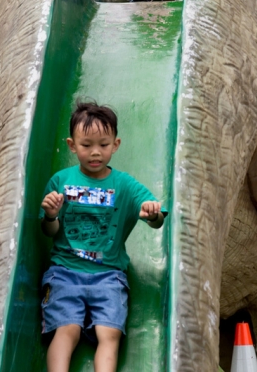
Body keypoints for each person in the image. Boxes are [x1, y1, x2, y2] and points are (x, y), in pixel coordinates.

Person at [40, 101, 166, 372]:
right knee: (66, 330)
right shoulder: (60, 181)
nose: (96, 152)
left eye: (104, 145)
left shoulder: (125, 184)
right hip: (64, 272)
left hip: (109, 276)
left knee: (109, 334)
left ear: (116, 144)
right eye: (86, 145)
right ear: (72, 145)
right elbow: (48, 231)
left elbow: (157, 219)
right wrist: (51, 215)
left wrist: (152, 213)